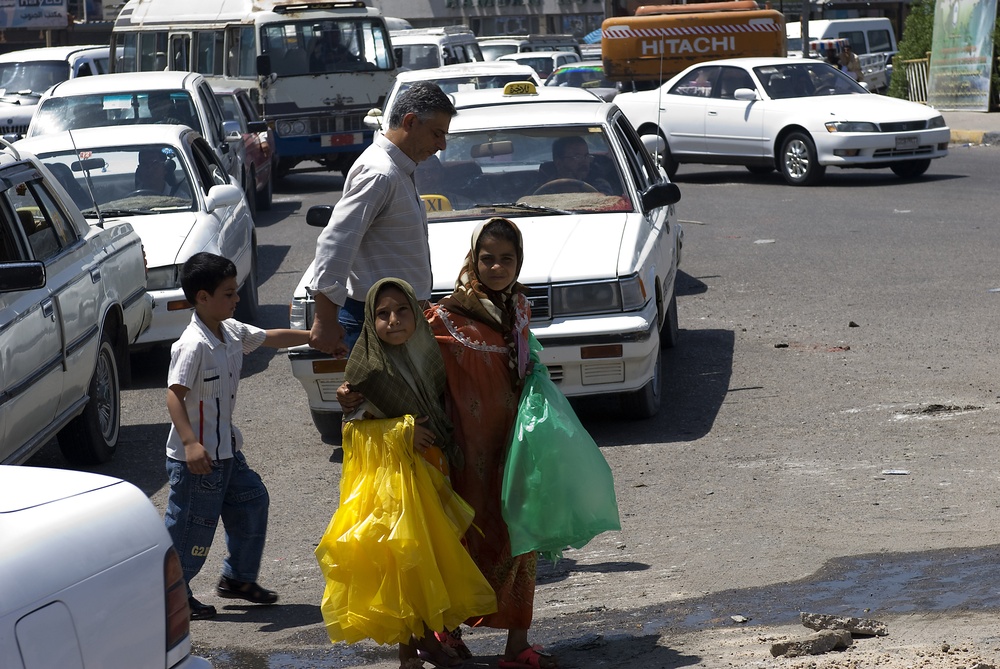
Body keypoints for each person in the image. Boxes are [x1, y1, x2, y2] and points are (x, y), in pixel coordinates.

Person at [315, 278, 496, 669]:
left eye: (401, 311)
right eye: (382, 314)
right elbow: (352, 431)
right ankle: (421, 647)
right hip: (392, 485)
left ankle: (412, 652)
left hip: (433, 470)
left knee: (428, 558)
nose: (393, 320)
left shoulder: (429, 357)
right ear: (369, 320)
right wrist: (402, 430)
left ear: (416, 315)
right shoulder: (365, 371)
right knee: (404, 559)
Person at [425, 217, 558, 669]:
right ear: (472, 260)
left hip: (516, 447)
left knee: (522, 535)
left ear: (519, 261)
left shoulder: (519, 306)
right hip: (467, 453)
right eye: (488, 258)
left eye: (507, 258)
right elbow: (414, 367)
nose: (497, 267)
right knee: (465, 539)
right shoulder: (444, 317)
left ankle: (516, 646)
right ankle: (446, 633)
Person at [163, 252, 311, 620]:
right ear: (202, 298)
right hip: (197, 461)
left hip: (227, 452)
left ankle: (238, 580)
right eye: (228, 293)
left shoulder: (229, 331)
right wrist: (191, 444)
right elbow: (173, 396)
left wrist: (315, 337)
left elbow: (270, 337)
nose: (237, 299)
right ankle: (169, 595)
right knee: (191, 531)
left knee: (252, 501)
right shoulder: (192, 344)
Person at [307, 81, 457, 358]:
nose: (441, 145)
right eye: (437, 134)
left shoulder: (398, 169)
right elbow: (336, 243)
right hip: (376, 323)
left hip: (398, 321)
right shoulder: (380, 173)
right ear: (411, 122)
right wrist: (325, 321)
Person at [538, 135, 613, 195]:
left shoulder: (599, 184)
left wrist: (577, 191)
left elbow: (607, 208)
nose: (584, 162)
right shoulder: (543, 186)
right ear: (559, 162)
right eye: (577, 157)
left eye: (586, 156)